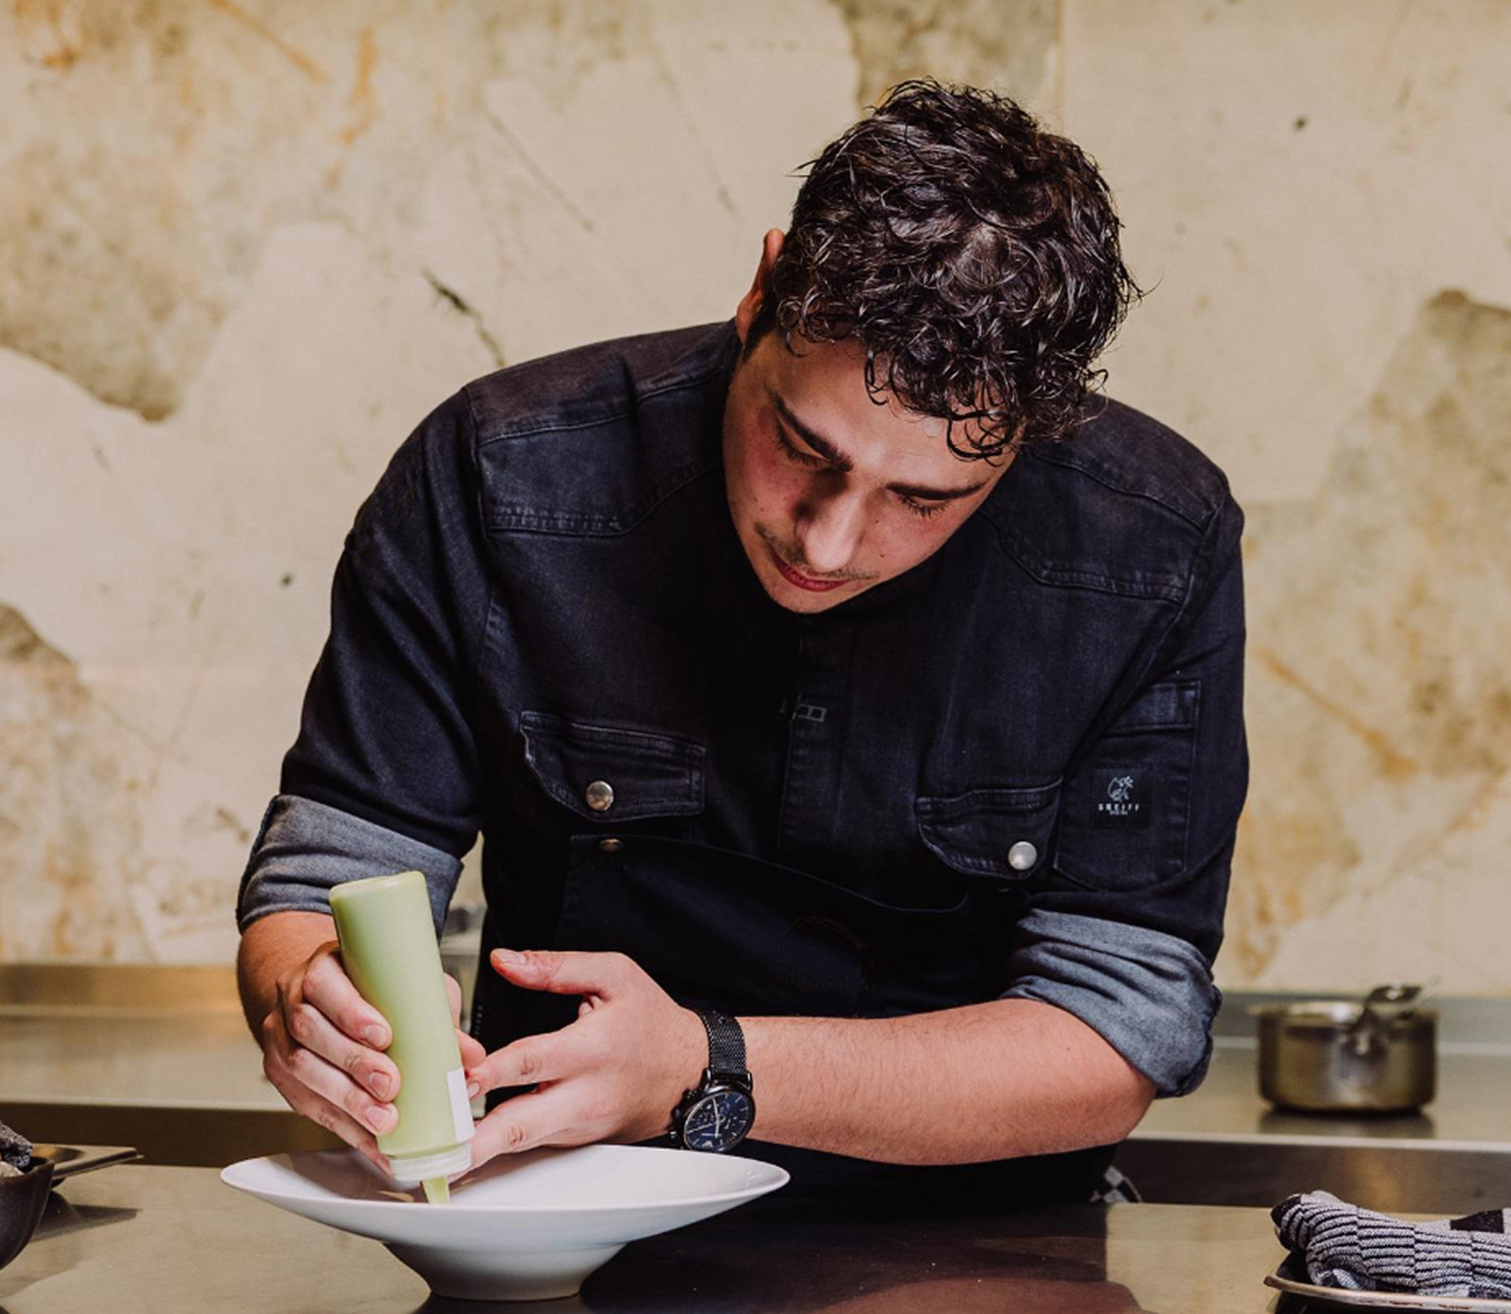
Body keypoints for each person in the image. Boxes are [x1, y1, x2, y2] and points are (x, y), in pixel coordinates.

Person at [235, 80, 1247, 1204]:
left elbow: (1111, 1034)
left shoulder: (1152, 547)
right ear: (762, 290)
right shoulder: (494, 472)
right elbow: (331, 877)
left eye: (923, 497)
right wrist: (304, 1004)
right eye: (801, 444)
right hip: (561, 1258)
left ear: (1030, 440)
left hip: (986, 1278)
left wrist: (701, 1068)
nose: (830, 537)